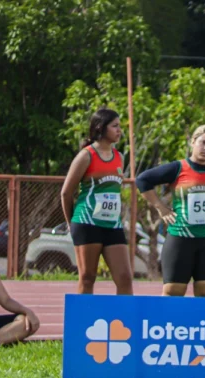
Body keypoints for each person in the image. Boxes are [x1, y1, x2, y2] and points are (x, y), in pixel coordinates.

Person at [136, 124, 205, 296]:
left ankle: (201, 324)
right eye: (203, 142)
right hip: (180, 238)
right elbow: (142, 180)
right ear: (193, 142)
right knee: (173, 292)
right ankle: (168, 323)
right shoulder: (178, 168)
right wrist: (160, 207)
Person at [60, 107, 134, 295]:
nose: (119, 131)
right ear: (101, 127)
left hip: (112, 224)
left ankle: (124, 322)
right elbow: (66, 193)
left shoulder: (119, 157)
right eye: (115, 126)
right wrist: (71, 224)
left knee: (125, 277)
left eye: (120, 126)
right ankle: (83, 321)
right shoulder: (87, 155)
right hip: (87, 223)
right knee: (87, 277)